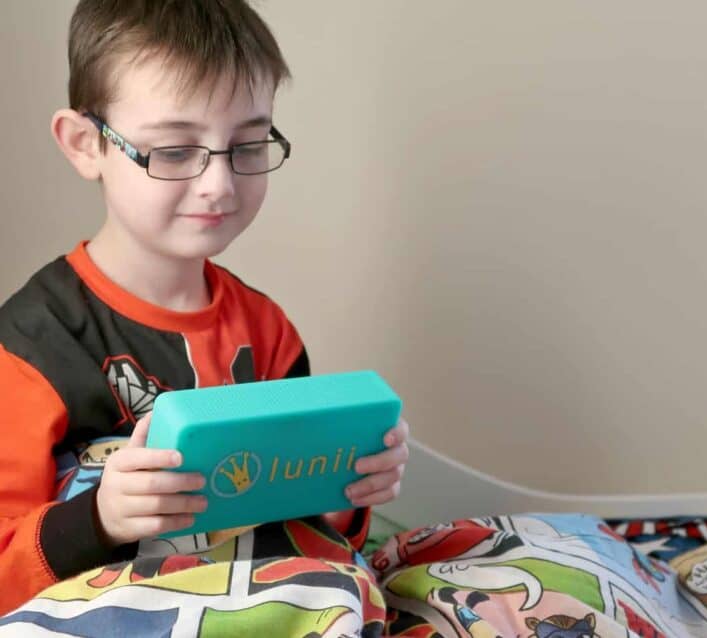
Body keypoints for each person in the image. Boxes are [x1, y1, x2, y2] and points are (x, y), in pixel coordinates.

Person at [0, 0, 408, 615]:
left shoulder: (267, 331)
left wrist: (348, 489)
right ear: (86, 145)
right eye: (172, 150)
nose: (219, 184)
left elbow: (313, 533)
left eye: (248, 145)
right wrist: (100, 519)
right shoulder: (29, 345)